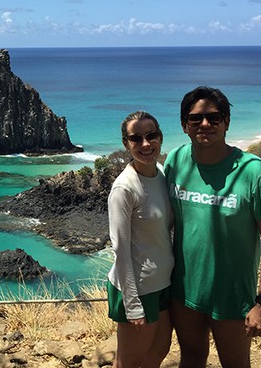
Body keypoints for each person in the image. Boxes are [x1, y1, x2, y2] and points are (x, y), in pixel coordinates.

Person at [164, 86, 261, 368]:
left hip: (233, 297)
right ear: (184, 125)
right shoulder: (176, 160)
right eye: (195, 119)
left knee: (235, 363)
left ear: (227, 123)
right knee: (192, 359)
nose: (204, 124)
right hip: (184, 292)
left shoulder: (255, 172)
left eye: (214, 118)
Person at [107, 111, 174, 368]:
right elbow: (120, 250)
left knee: (157, 352)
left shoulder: (160, 173)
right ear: (126, 143)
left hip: (162, 282)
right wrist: (132, 304)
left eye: (151, 135)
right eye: (136, 138)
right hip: (137, 287)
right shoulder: (124, 188)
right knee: (130, 362)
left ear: (160, 137)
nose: (145, 144)